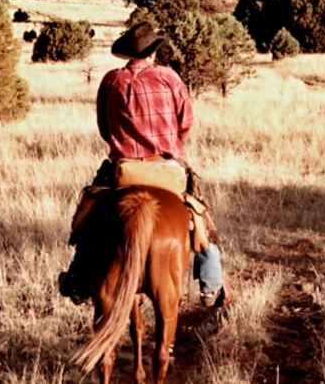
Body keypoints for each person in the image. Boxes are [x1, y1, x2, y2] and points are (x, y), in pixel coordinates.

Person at [59, 22, 229, 308]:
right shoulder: (169, 77)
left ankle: (77, 277)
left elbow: (104, 126)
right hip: (167, 169)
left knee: (88, 217)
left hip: (124, 171)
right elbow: (185, 121)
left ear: (128, 54)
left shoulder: (112, 80)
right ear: (152, 52)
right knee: (199, 215)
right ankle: (211, 284)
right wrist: (171, 143)